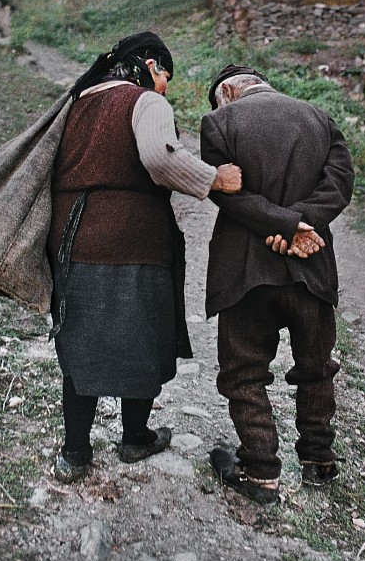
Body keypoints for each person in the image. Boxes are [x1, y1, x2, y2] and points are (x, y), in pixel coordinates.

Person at [48, 33, 242, 483]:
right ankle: (134, 439)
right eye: (166, 77)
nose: (166, 88)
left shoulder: (75, 102)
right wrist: (214, 178)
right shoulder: (145, 102)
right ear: (150, 65)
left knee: (80, 344)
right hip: (134, 241)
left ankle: (74, 453)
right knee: (142, 340)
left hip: (72, 243)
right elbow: (159, 157)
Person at [200, 65, 355, 503]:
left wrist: (283, 224)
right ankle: (318, 461)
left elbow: (224, 191)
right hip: (312, 267)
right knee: (316, 367)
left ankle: (262, 471)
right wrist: (302, 227)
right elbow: (340, 183)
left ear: (227, 90)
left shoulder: (218, 122)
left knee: (244, 372)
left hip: (246, 273)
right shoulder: (319, 117)